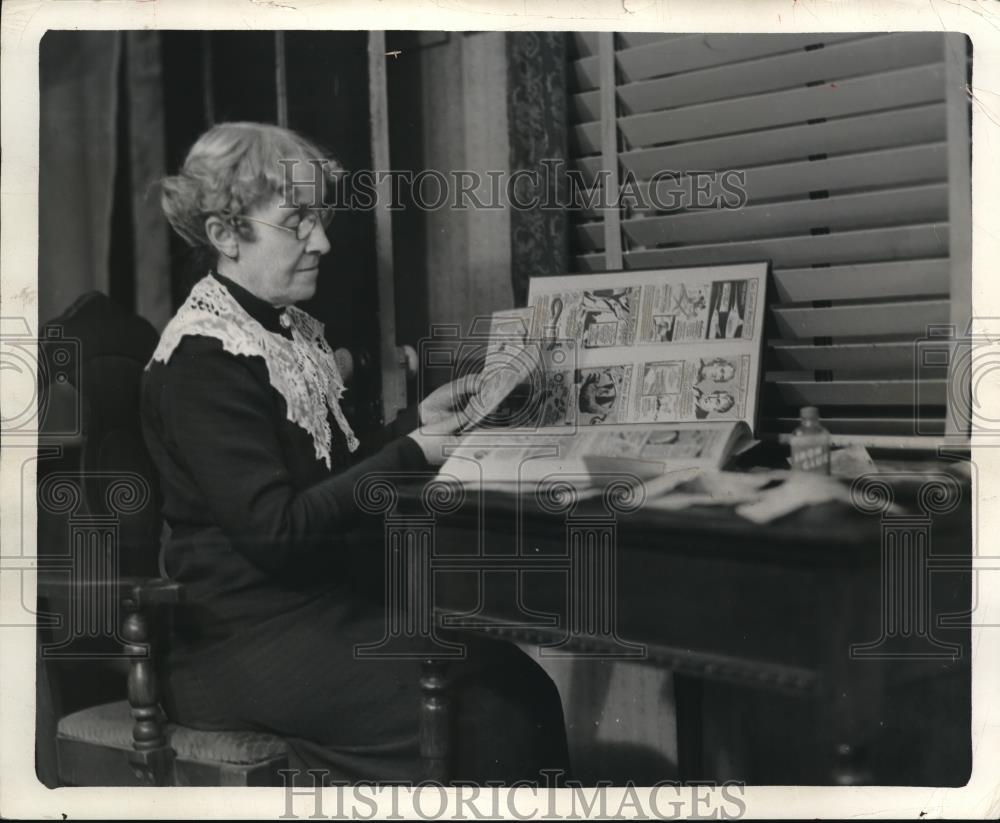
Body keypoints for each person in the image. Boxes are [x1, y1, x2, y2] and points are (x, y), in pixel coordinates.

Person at [142, 122, 569, 785]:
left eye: (319, 217)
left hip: (308, 613)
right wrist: (409, 454)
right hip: (238, 642)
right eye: (297, 222)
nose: (324, 241)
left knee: (516, 684)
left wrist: (412, 425)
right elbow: (278, 531)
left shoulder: (277, 329)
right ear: (226, 235)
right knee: (489, 712)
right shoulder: (205, 358)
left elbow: (323, 475)